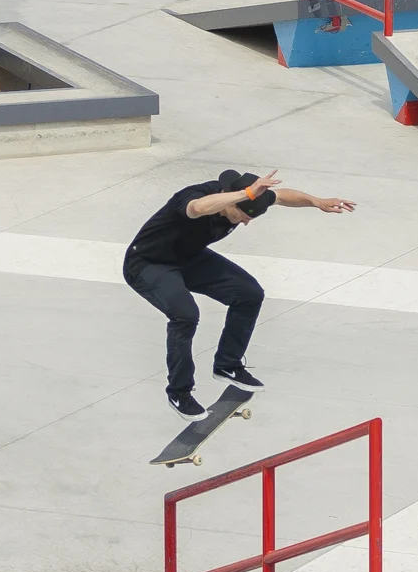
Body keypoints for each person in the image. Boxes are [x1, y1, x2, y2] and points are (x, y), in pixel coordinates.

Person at [125, 169, 355, 415]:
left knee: (250, 294)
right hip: (148, 263)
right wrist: (243, 194)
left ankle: (228, 365)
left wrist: (316, 202)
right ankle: (179, 392)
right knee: (186, 316)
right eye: (241, 215)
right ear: (230, 197)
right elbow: (198, 208)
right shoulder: (195, 195)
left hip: (188, 259)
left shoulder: (249, 200)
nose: (244, 222)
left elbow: (282, 196)